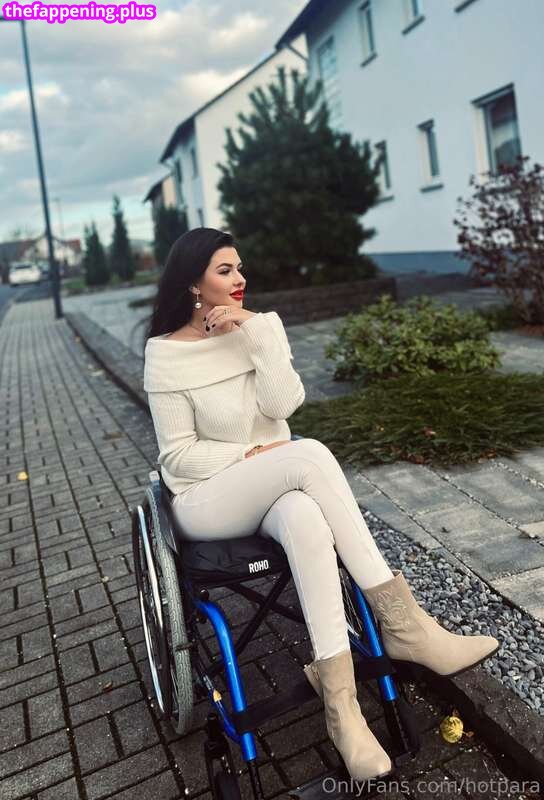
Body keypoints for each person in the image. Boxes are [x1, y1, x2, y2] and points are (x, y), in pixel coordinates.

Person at [143, 227, 499, 783]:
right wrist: (250, 454)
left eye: (240, 267)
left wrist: (258, 332)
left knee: (306, 517)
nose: (240, 279)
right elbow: (178, 460)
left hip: (272, 484)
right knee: (308, 454)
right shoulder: (165, 354)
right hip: (205, 498)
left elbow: (285, 403)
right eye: (225, 270)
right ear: (192, 283)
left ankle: (343, 712)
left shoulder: (257, 329)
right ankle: (407, 627)